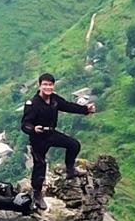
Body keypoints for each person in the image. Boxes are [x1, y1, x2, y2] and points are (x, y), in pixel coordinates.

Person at [20, 73, 96, 210]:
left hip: (51, 133)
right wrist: (33, 129)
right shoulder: (33, 103)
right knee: (40, 165)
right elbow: (24, 124)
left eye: (50, 84)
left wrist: (86, 110)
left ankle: (70, 169)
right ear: (40, 85)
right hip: (38, 138)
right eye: (45, 84)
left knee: (73, 145)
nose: (48, 87)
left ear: (53, 86)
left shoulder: (54, 99)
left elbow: (68, 106)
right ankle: (37, 194)